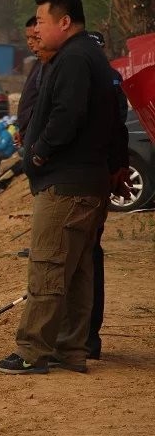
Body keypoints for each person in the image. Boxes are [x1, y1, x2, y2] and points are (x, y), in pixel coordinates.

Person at [0, 0, 117, 375]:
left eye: (42, 22)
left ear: (65, 22)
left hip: (66, 184)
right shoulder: (87, 57)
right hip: (86, 181)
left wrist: (37, 153)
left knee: (47, 266)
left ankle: (32, 351)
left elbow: (66, 115)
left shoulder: (75, 58)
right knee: (78, 270)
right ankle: (71, 349)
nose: (38, 31)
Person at [86, 30, 130, 360]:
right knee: (89, 255)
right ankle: (86, 337)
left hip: (87, 179)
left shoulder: (98, 82)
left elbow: (117, 131)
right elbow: (121, 131)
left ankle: (85, 338)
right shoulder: (112, 80)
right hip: (100, 175)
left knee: (84, 258)